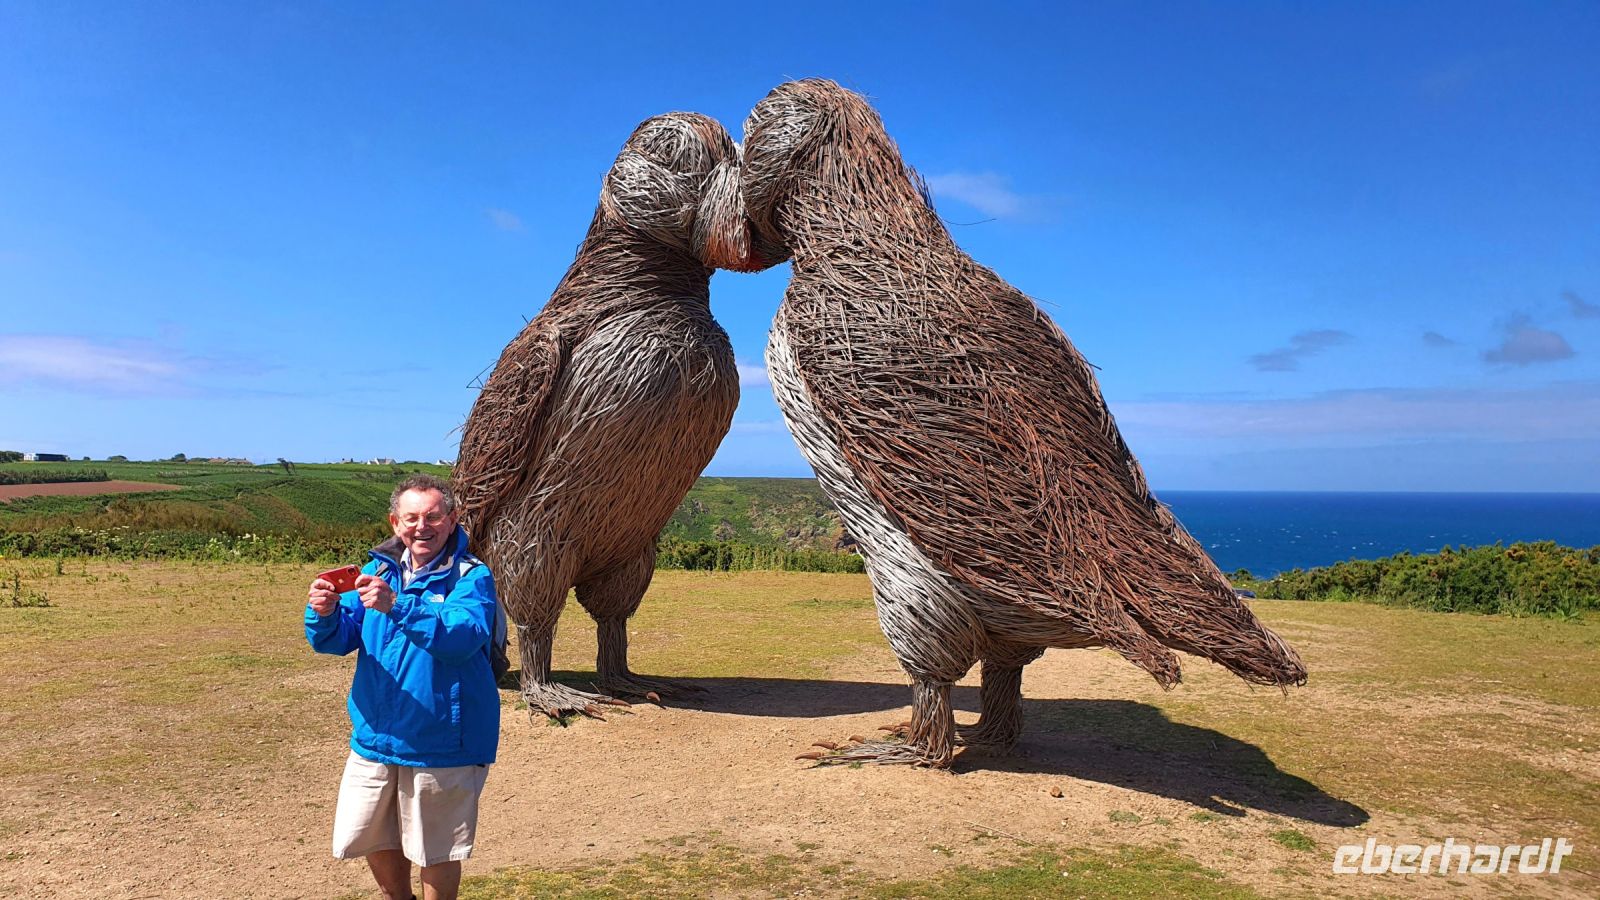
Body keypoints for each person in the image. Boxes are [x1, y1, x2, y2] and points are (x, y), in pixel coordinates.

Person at [305, 474, 502, 900]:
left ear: (452, 521)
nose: (421, 527)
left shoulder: (471, 577)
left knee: (436, 850)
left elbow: (461, 637)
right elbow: (337, 639)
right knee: (373, 834)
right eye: (411, 518)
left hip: (443, 741)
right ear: (395, 523)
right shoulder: (378, 570)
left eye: (433, 516)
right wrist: (323, 613)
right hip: (376, 735)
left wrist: (397, 605)